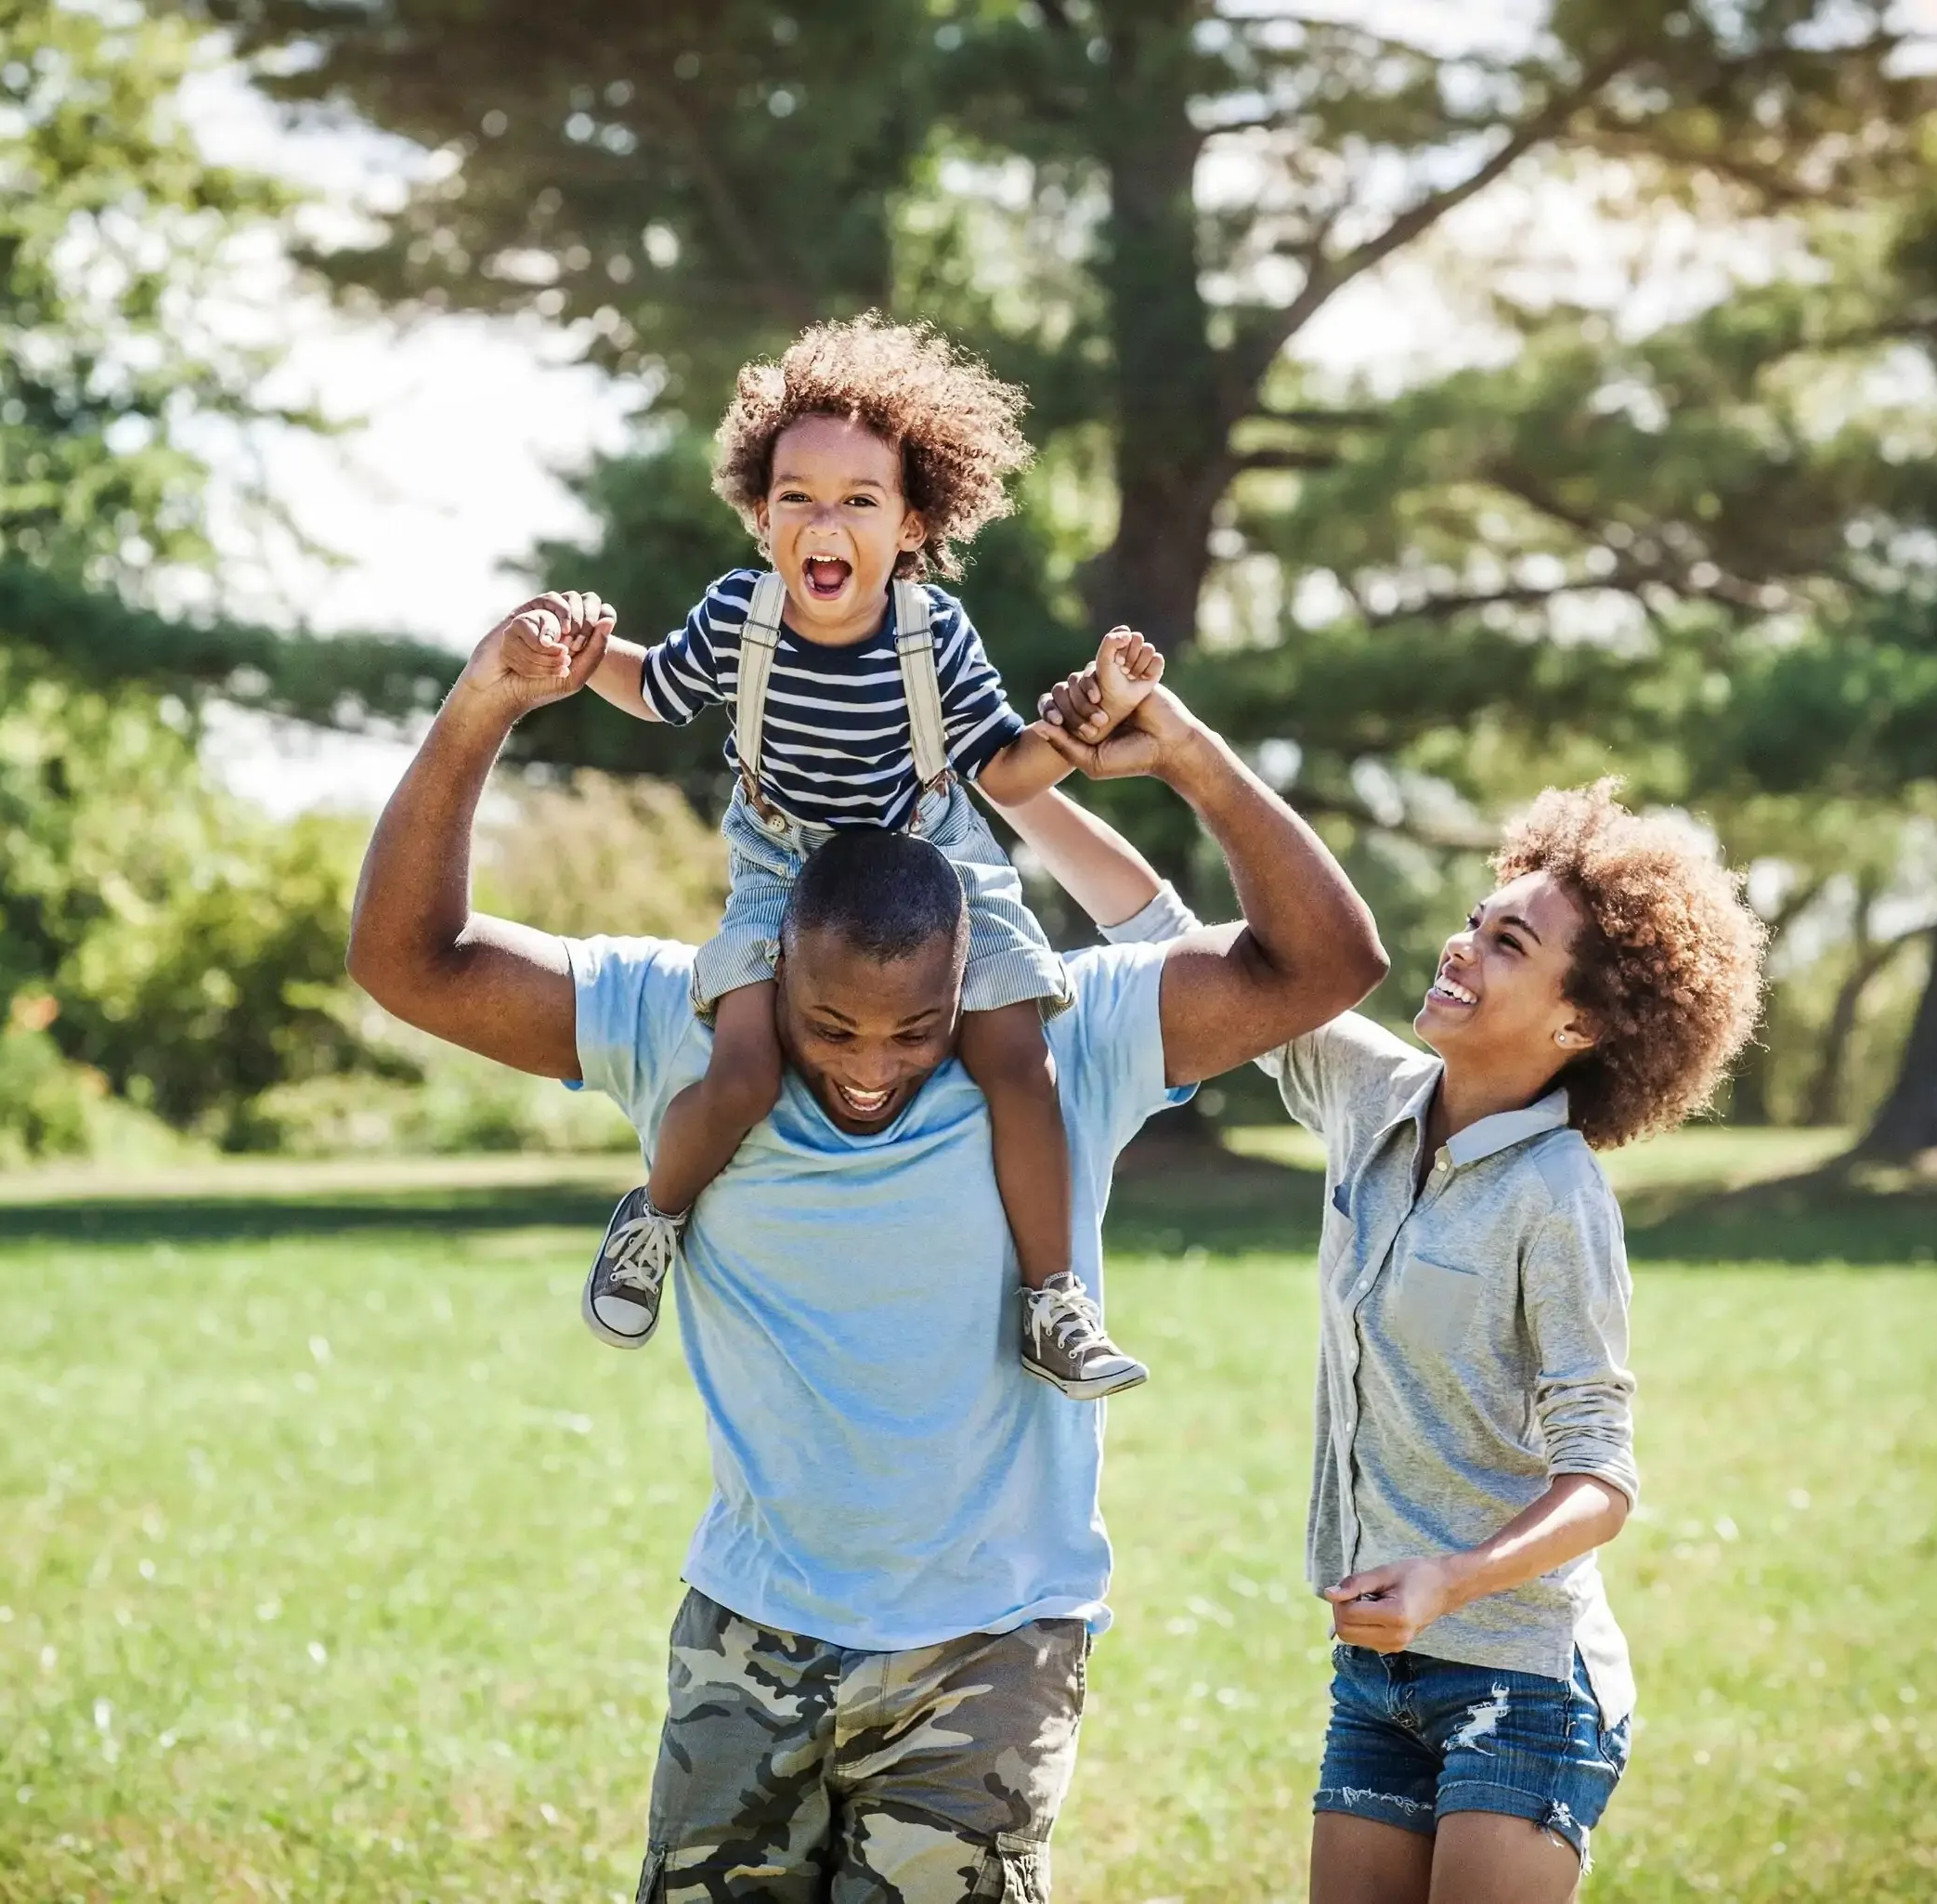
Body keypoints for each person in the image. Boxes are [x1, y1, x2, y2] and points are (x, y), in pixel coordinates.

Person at [344, 596, 1387, 1902]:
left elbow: (1328, 960)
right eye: (828, 1025)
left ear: (974, 982)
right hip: (749, 1635)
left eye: (920, 1031)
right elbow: (407, 958)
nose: (871, 1071)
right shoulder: (679, 1019)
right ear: (769, 965)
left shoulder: (1072, 1027)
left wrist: (1180, 747)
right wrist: (482, 705)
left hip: (987, 1652)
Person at [561, 313, 1165, 1399]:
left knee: (1020, 1062)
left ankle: (1053, 1299)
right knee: (743, 1067)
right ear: (760, 514)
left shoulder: (934, 637)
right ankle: (652, 1216)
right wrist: (580, 648)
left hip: (934, 861)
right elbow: (654, 689)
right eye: (796, 496)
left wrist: (1084, 725)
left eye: (858, 500)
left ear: (912, 521)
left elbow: (1001, 773)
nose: (822, 522)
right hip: (781, 867)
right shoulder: (738, 618)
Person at [1264, 782, 1766, 1904]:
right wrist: (1052, 780)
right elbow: (1172, 943)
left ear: (1577, 1025)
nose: (1461, 946)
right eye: (1477, 918)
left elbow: (1603, 1477)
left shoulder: (1560, 1196)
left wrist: (1452, 1577)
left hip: (1528, 1683)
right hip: (1378, 1675)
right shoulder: (1371, 1095)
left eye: (1508, 942)